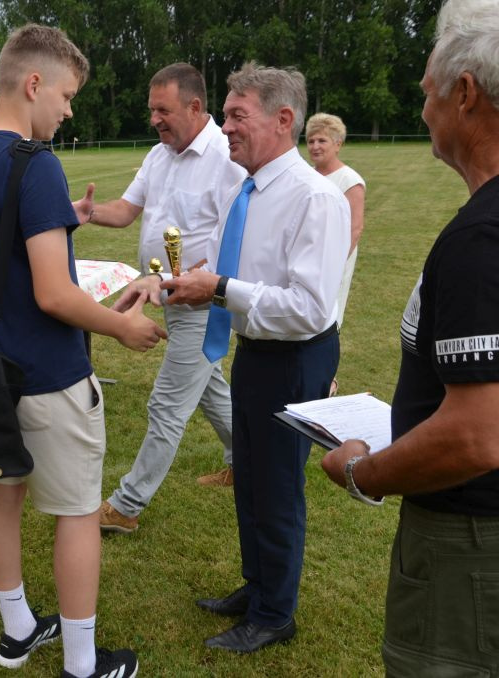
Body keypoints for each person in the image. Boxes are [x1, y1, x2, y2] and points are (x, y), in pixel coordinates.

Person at [0, 24, 165, 678]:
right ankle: (81, 665)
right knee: (76, 514)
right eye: (67, 96)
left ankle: (18, 629)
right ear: (34, 83)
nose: (69, 111)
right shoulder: (36, 162)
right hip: (48, 374)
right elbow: (53, 294)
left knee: (1, 498)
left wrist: (54, 214)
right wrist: (121, 328)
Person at [320, 1, 499, 673]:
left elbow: (476, 434)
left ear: (465, 93)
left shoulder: (481, 239)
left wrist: (362, 472)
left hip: (469, 550)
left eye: (428, 91)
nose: (422, 109)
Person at [150, 62, 349, 652]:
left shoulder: (315, 198)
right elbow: (235, 268)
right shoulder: (250, 187)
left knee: (277, 485)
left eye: (238, 116)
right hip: (256, 349)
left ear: (283, 119)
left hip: (295, 356)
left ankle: (275, 614)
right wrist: (197, 283)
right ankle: (259, 585)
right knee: (251, 477)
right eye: (226, 115)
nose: (226, 127)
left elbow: (309, 308)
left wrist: (219, 289)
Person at [75, 63, 244, 535]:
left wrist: (185, 280)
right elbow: (126, 211)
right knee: (210, 390)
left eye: (162, 110)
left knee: (167, 405)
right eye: (152, 110)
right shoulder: (158, 155)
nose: (154, 119)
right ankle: (246, 461)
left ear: (195, 106)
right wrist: (88, 213)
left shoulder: (227, 159)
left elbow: (234, 241)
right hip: (166, 297)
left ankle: (126, 505)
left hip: (202, 303)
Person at [306, 113, 366, 395]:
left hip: (333, 262)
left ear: (338, 144)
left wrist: (332, 264)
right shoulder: (307, 174)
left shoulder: (349, 180)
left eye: (322, 141)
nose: (315, 146)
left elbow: (355, 229)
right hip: (306, 255)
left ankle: (327, 381)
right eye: (311, 141)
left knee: (328, 318)